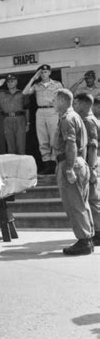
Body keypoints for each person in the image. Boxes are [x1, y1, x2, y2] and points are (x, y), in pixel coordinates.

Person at [53, 89, 93, 255]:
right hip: (79, 162)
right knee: (82, 204)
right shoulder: (75, 116)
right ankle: (88, 238)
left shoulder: (67, 118)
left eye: (55, 100)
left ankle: (83, 241)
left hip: (70, 162)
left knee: (74, 204)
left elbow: (71, 145)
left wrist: (69, 168)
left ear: (62, 101)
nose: (53, 103)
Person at [23, 64, 63, 174]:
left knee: (54, 138)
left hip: (52, 111)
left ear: (49, 72)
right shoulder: (36, 85)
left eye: (45, 72)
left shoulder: (57, 84)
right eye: (41, 72)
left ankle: (55, 164)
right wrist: (33, 78)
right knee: (42, 138)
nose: (43, 74)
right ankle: (46, 164)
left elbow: (63, 97)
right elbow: (25, 92)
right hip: (40, 112)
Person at [74, 93, 99, 246]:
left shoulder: (87, 121)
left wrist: (92, 168)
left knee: (93, 199)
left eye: (76, 104)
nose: (74, 107)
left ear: (84, 104)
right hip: (95, 162)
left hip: (93, 162)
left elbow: (93, 146)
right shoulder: (94, 119)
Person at [0, 74, 30, 155]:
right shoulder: (2, 94)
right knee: (10, 147)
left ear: (16, 82)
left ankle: (21, 166)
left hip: (19, 119)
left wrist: (27, 123)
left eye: (12, 81)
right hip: (7, 119)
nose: (10, 83)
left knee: (21, 145)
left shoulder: (21, 93)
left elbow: (26, 109)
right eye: (8, 82)